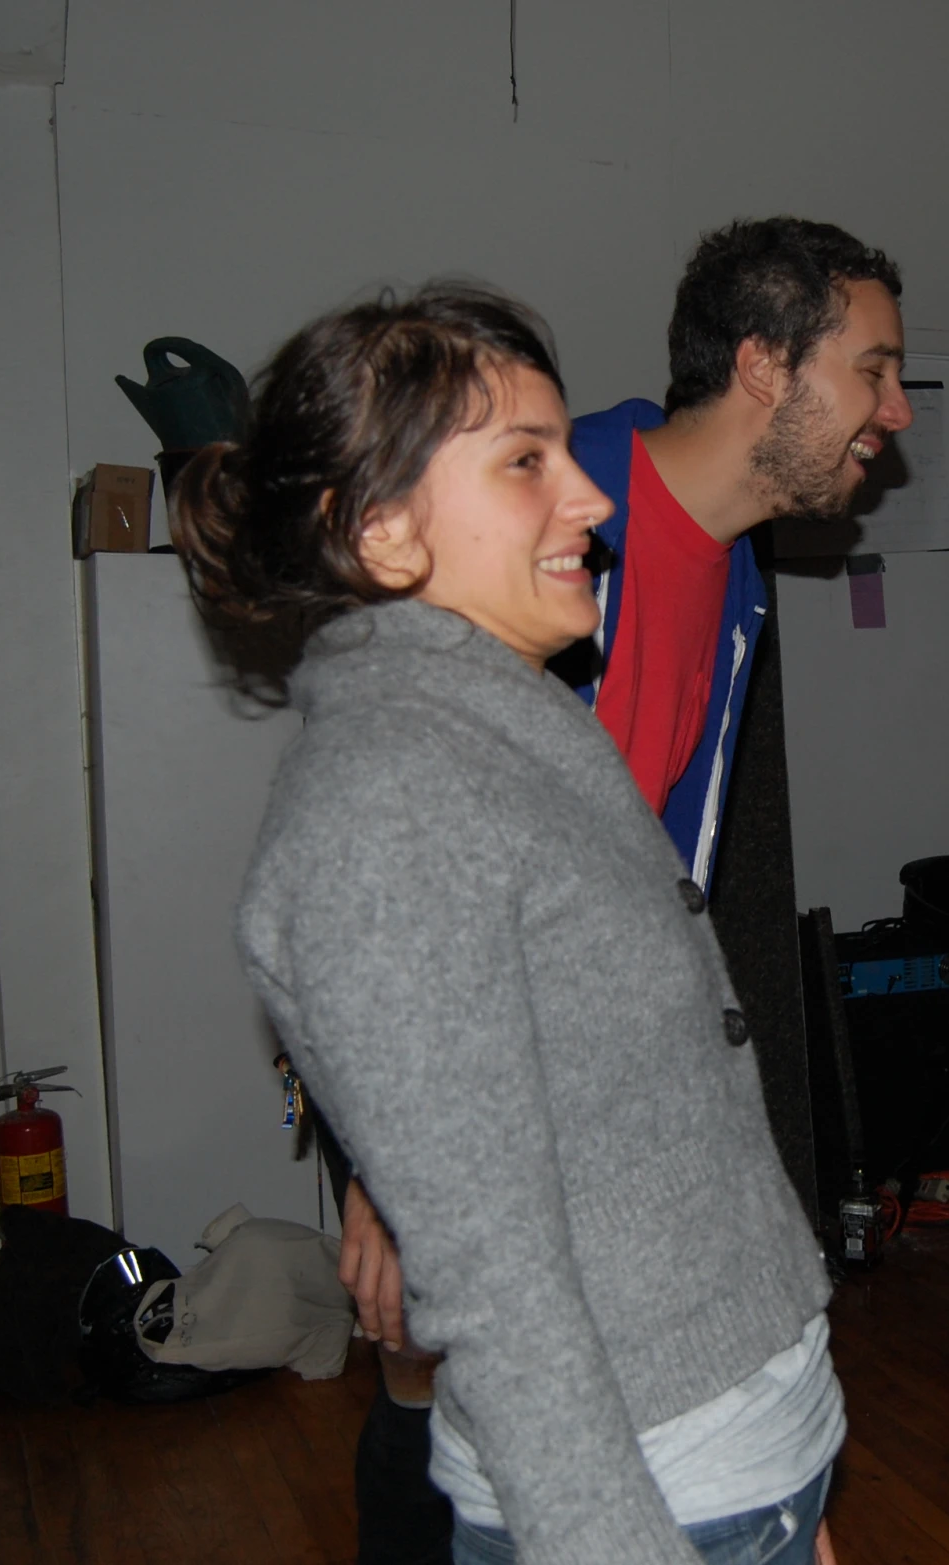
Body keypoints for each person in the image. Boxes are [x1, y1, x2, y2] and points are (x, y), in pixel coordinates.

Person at [173, 283, 847, 1565]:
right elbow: (496, 1288)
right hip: (653, 1497)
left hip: (737, 1462)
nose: (589, 499)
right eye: (525, 463)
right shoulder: (387, 813)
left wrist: (793, 1480)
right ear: (378, 532)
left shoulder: (510, 722)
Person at [329, 221, 910, 1563]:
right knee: (430, 1384)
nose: (891, 410)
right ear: (764, 366)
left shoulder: (741, 570)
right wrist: (383, 1166)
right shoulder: (564, 504)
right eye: (870, 369)